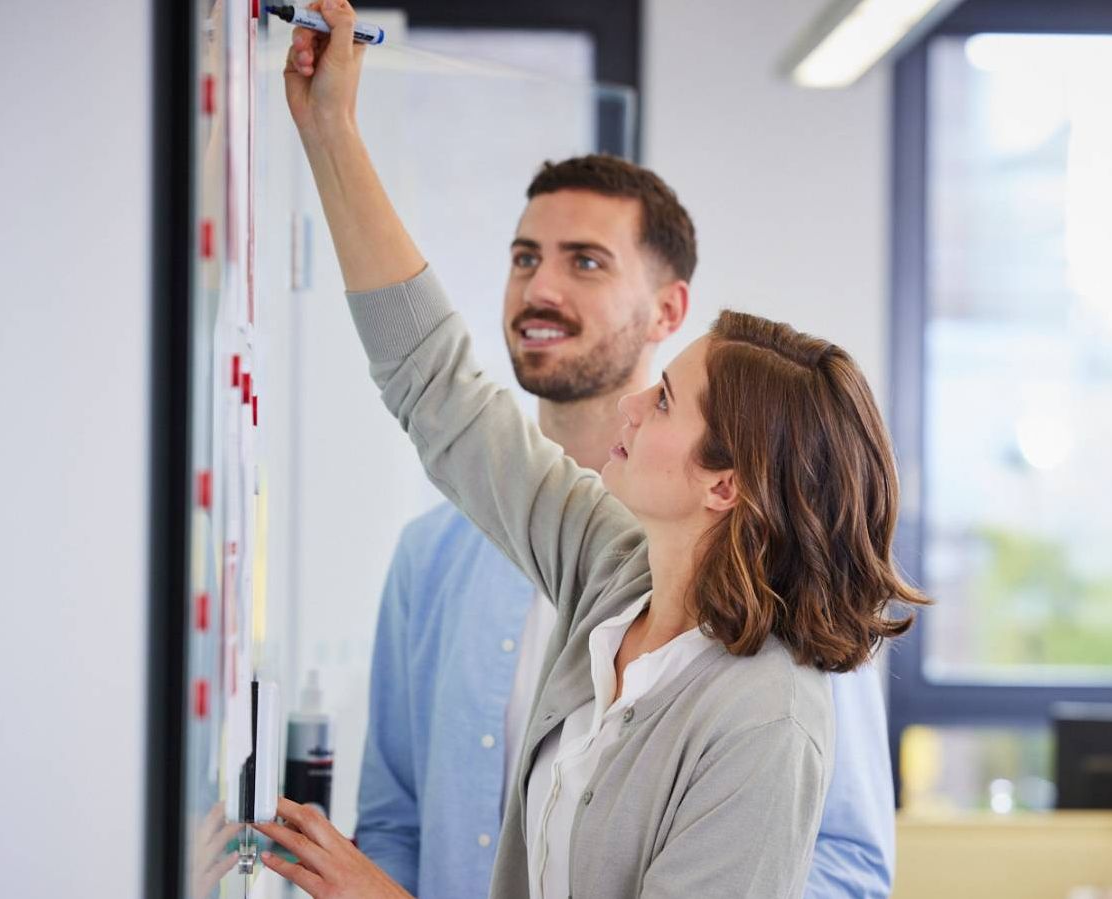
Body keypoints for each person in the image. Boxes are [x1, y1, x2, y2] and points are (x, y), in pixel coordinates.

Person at [255, 3, 928, 897]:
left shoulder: (766, 712)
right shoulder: (614, 580)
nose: (637, 406)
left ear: (724, 482)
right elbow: (437, 384)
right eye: (527, 256)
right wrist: (331, 131)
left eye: (666, 399)